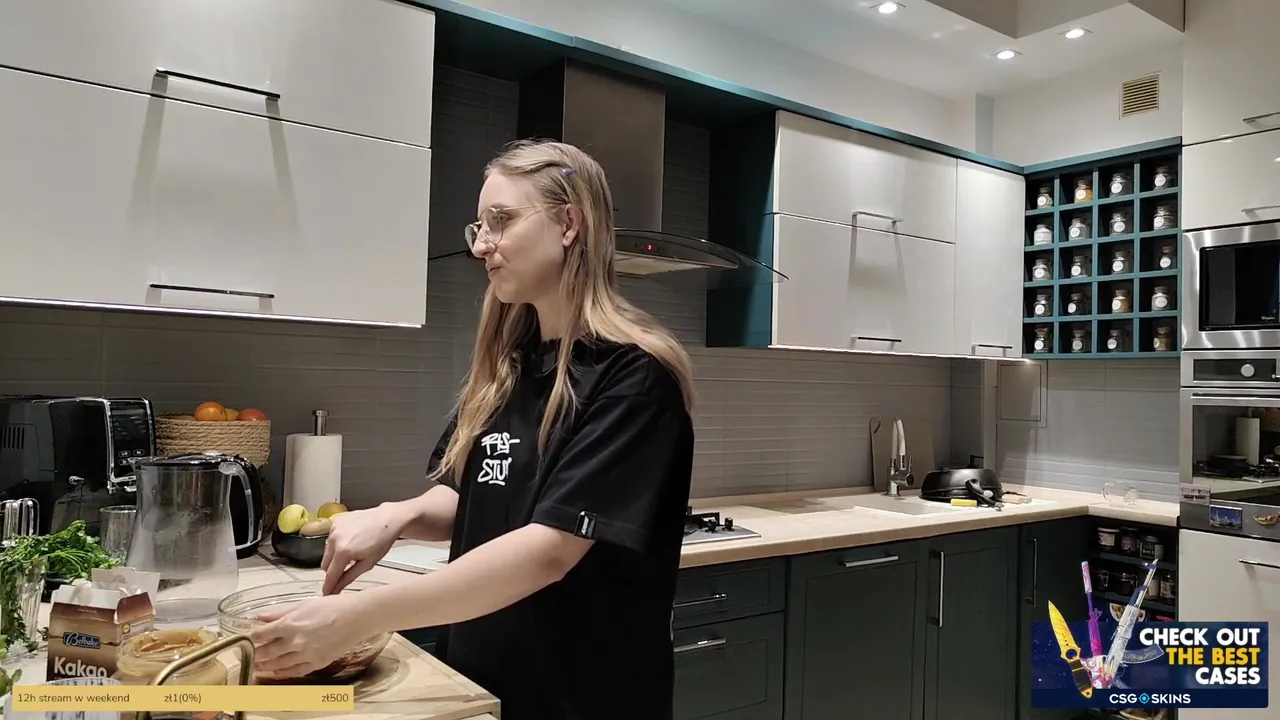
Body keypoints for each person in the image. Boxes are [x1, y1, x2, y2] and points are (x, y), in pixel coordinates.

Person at [250, 139, 697, 720]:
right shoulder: (509, 368)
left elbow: (549, 551)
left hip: (581, 699)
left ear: (568, 224)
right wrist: (396, 516)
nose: (482, 245)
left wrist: (358, 616)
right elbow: (473, 492)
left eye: (501, 221)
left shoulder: (633, 377)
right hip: (484, 685)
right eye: (479, 226)